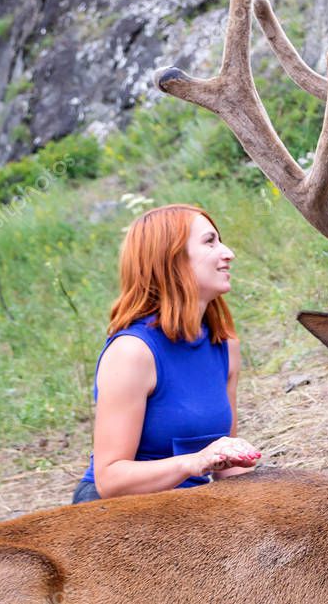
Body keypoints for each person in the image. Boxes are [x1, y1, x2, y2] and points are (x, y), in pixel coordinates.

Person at [72, 204, 261, 504]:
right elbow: (109, 480)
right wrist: (192, 463)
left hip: (188, 509)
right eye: (210, 242)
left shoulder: (226, 345)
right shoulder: (133, 352)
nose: (228, 253)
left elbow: (228, 470)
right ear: (171, 260)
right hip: (117, 514)